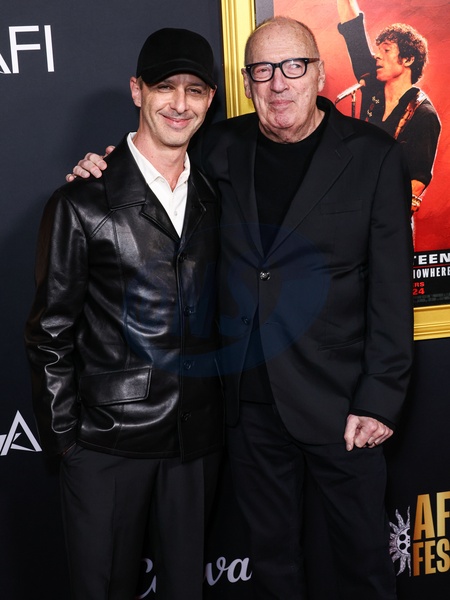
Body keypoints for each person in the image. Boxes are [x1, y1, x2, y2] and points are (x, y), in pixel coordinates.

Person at [69, 16, 414, 600]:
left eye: (293, 67)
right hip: (248, 404)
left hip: (343, 404)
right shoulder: (219, 145)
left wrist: (379, 399)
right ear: (248, 83)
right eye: (262, 70)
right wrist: (99, 170)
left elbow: (390, 287)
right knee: (273, 566)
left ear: (319, 74)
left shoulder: (374, 156)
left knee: (362, 566)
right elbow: (154, 165)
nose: (279, 83)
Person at [24, 28, 223, 600]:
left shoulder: (216, 196)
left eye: (194, 90)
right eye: (164, 87)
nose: (179, 104)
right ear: (137, 90)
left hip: (194, 442)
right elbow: (50, 331)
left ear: (210, 99)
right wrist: (68, 442)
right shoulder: (82, 200)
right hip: (106, 443)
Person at [336, 0, 441, 214]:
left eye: (386, 50)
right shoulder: (372, 84)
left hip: (388, 215)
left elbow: (418, 180)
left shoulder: (424, 115)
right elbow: (353, 30)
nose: (377, 56)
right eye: (378, 50)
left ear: (408, 59)